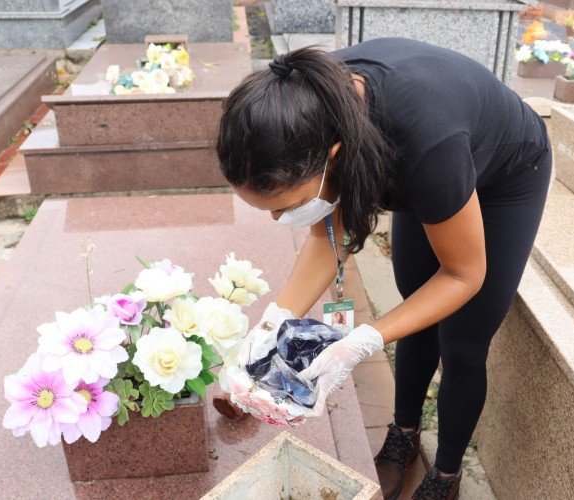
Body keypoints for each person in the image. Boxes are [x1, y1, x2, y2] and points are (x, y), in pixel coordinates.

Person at [213, 37, 551, 500]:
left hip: (505, 175)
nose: (278, 220)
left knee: (463, 341)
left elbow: (462, 275)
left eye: (284, 207)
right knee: (414, 308)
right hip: (424, 163)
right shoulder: (311, 105)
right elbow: (327, 237)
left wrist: (361, 342)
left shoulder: (426, 147)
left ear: (332, 156)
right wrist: (273, 322)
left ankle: (446, 473)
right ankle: (403, 435)